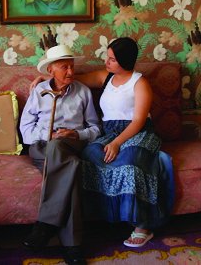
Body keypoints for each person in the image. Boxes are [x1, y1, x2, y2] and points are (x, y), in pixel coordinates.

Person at [30, 37, 174, 248]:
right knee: (89, 155)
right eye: (107, 57)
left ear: (124, 61)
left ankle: (142, 225)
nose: (106, 62)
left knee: (129, 161)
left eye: (112, 59)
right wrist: (44, 78)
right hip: (109, 131)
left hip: (137, 131)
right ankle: (105, 215)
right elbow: (70, 77)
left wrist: (117, 143)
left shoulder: (140, 83)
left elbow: (139, 121)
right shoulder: (105, 77)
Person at [20, 44, 101, 265]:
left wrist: (76, 134)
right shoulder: (39, 91)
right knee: (71, 166)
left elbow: (95, 128)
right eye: (64, 67)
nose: (70, 72)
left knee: (63, 152)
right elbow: (25, 129)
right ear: (50, 71)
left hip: (70, 145)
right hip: (41, 147)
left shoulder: (82, 92)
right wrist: (49, 135)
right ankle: (72, 246)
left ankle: (46, 224)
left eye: (72, 66)